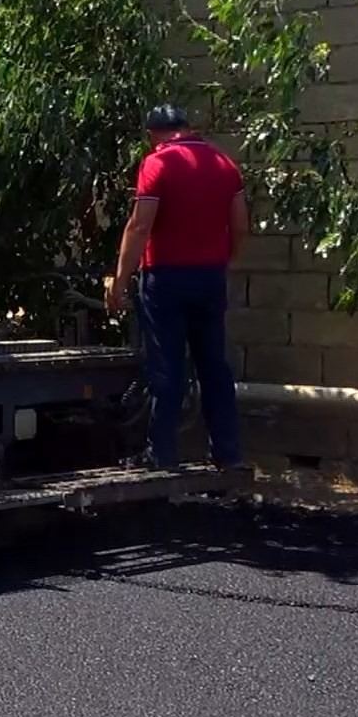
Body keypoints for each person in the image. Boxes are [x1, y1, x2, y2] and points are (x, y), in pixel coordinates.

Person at [106, 104, 249, 471]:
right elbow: (241, 227)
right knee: (214, 366)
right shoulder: (224, 165)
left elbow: (140, 227)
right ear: (188, 127)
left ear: (155, 134)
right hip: (210, 277)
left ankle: (162, 454)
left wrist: (120, 282)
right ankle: (227, 454)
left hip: (166, 278)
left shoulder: (158, 164)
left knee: (166, 367)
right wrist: (223, 262)